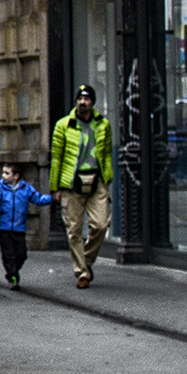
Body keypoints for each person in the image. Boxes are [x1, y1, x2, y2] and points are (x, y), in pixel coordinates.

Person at [50, 83, 113, 289]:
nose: (82, 102)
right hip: (71, 183)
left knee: (100, 224)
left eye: (86, 99)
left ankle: (85, 259)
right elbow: (56, 157)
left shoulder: (103, 124)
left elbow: (106, 154)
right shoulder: (63, 125)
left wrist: (108, 178)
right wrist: (55, 188)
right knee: (74, 230)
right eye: (80, 99)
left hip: (97, 181)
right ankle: (82, 272)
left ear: (92, 103)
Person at [0, 163, 52, 288]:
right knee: (8, 254)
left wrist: (52, 199)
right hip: (4, 226)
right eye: (3, 172)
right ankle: (12, 276)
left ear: (16, 176)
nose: (3, 176)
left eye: (7, 173)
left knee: (21, 253)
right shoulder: (0, 187)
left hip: (19, 226)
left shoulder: (26, 188)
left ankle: (13, 271)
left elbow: (38, 199)